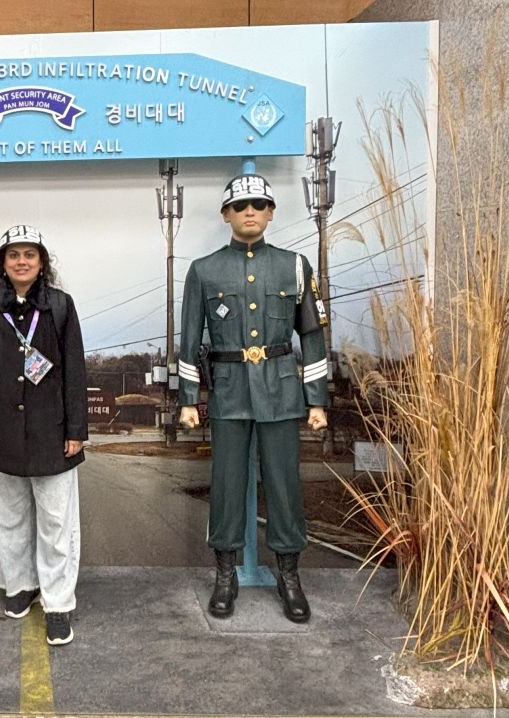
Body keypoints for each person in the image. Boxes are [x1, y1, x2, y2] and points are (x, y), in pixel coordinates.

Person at [177, 174, 328, 623]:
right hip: (228, 391)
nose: (250, 211)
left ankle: (289, 575)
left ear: (271, 212)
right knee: (225, 487)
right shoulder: (204, 270)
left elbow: (313, 336)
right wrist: (189, 398)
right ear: (226, 214)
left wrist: (316, 400)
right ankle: (225, 576)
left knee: (285, 486)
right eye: (240, 204)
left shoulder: (295, 266)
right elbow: (188, 339)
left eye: (259, 204)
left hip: (282, 390)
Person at [0, 224, 87, 646]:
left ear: (42, 262)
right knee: (10, 518)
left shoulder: (61, 307)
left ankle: (57, 603)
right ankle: (19, 587)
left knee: (55, 522)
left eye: (29, 254)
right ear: (2, 263)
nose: (21, 261)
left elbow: (74, 373)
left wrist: (76, 431)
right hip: (1, 433)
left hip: (53, 433)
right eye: (13, 254)